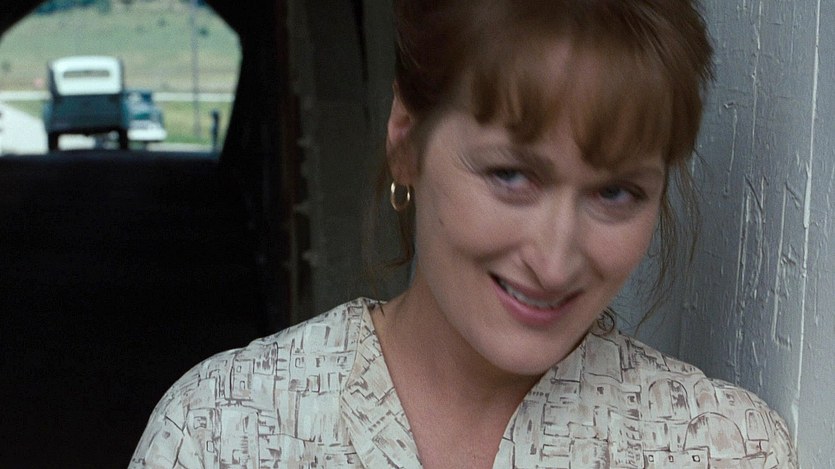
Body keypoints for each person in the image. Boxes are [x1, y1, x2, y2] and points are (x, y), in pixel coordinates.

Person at [130, 1, 798, 467]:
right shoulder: (223, 430)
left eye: (615, 192)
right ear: (406, 139)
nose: (554, 259)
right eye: (511, 175)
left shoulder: (723, 449)